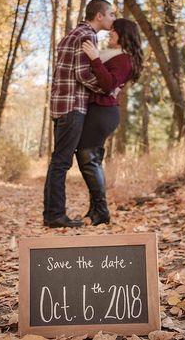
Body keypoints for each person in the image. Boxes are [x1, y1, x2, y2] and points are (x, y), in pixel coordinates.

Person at [43, 0, 116, 228]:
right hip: (73, 106)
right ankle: (55, 216)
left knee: (59, 161)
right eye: (111, 14)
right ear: (99, 16)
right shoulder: (88, 36)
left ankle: (52, 214)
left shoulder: (71, 34)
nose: (113, 19)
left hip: (61, 105)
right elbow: (83, 75)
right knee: (61, 162)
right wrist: (108, 87)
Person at [76, 18, 143, 226]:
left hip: (104, 112)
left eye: (113, 31)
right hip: (98, 111)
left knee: (88, 157)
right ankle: (95, 210)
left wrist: (95, 58)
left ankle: (102, 211)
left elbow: (108, 85)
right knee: (90, 157)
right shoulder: (114, 56)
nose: (109, 33)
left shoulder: (124, 59)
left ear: (124, 34)